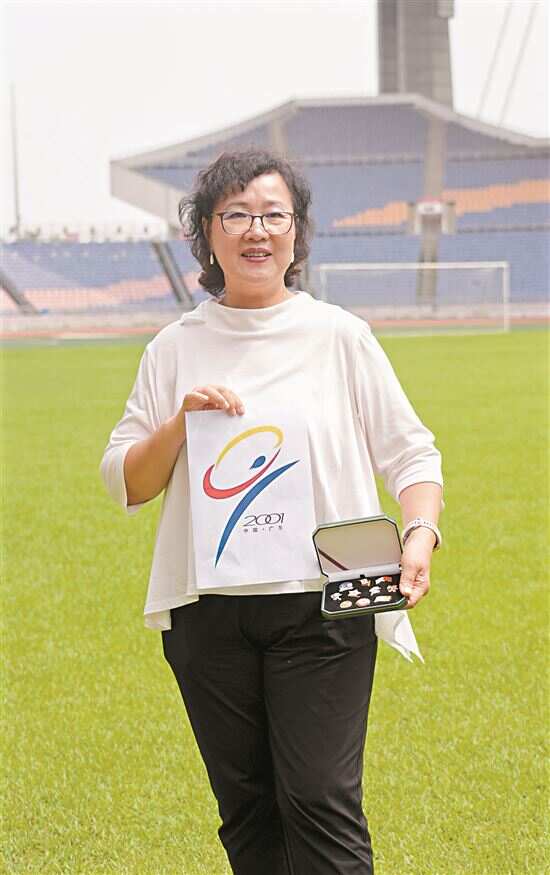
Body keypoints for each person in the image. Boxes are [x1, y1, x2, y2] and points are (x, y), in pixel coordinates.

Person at [100, 148, 443, 875]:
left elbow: (412, 455)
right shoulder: (174, 348)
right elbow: (126, 480)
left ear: (296, 231)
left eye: (273, 215)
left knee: (321, 800)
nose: (256, 230)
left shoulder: (339, 335)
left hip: (331, 597)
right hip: (208, 613)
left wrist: (419, 533)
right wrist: (180, 422)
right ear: (207, 233)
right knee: (248, 811)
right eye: (235, 215)